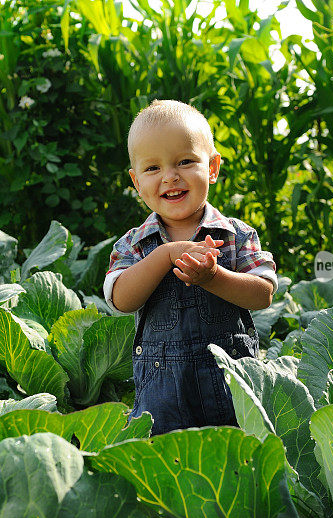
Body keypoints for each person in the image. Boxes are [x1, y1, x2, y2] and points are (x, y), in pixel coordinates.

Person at [104, 99, 278, 435]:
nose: (170, 177)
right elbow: (121, 300)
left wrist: (213, 276)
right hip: (161, 399)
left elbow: (263, 294)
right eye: (152, 168)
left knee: (236, 467)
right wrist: (165, 255)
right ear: (136, 181)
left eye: (185, 161)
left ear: (212, 167)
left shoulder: (237, 235)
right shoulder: (134, 244)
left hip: (232, 390)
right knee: (166, 470)